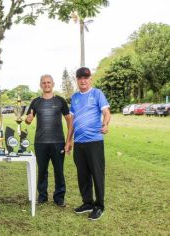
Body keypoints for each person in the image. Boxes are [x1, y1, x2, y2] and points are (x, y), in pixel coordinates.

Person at [65, 67, 111, 221]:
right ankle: (87, 203)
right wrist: (68, 141)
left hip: (94, 142)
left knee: (97, 174)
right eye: (80, 78)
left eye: (86, 78)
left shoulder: (97, 93)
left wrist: (105, 124)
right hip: (79, 142)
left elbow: (106, 112)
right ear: (77, 80)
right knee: (83, 175)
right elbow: (72, 121)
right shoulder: (75, 97)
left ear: (90, 79)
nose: (83, 81)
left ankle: (99, 206)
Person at [25, 74, 72, 207]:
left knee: (59, 170)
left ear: (53, 84)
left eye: (48, 82)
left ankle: (59, 197)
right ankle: (42, 196)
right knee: (42, 170)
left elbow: (69, 120)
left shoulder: (60, 101)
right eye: (44, 83)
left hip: (58, 142)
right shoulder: (35, 102)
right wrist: (27, 120)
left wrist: (69, 140)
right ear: (41, 85)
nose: (46, 85)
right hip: (40, 142)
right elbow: (28, 120)